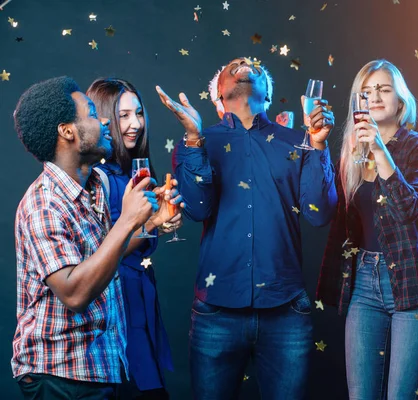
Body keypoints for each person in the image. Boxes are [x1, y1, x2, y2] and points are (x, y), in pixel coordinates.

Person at [155, 57, 337, 399]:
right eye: (232, 64)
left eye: (251, 64)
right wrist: (193, 138)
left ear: (267, 94)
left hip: (286, 312)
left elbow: (318, 213)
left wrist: (319, 145)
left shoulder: (300, 141)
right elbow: (196, 208)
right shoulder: (196, 143)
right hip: (216, 314)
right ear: (217, 95)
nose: (242, 62)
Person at [12, 76, 158, 399]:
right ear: (68, 131)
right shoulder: (42, 204)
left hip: (102, 365)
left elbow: (105, 257)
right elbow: (75, 293)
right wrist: (128, 221)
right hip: (59, 376)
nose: (104, 120)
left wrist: (149, 223)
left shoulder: (94, 186)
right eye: (92, 112)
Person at [317, 59, 418, 399]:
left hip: (413, 281)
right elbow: (325, 213)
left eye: (384, 89)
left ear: (400, 101)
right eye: (366, 91)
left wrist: (379, 150)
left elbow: (411, 211)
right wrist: (317, 146)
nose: (375, 96)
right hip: (364, 282)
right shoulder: (350, 152)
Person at [87, 78, 184, 399]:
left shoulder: (134, 172)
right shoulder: (96, 180)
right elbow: (103, 252)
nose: (135, 124)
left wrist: (159, 221)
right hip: (113, 310)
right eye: (123, 116)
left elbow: (139, 237)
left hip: (139, 304)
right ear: (102, 119)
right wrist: (152, 222)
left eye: (138, 114)